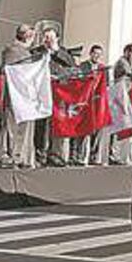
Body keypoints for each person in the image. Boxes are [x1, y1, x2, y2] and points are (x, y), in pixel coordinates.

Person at [34, 27, 76, 167]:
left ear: (57, 39)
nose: (48, 41)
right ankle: (39, 154)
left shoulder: (63, 53)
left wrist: (55, 51)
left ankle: (55, 154)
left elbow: (72, 67)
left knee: (58, 124)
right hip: (42, 93)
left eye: (51, 38)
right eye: (46, 37)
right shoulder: (37, 52)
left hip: (59, 94)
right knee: (42, 125)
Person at [0, 24, 36, 169]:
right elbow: (11, 71)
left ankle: (21, 156)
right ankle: (9, 155)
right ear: (26, 36)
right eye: (31, 36)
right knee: (11, 125)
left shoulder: (27, 51)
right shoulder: (12, 50)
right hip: (15, 94)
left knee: (24, 127)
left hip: (26, 95)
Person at [74, 44, 109, 165]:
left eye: (99, 54)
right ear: (91, 53)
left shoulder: (103, 68)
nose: (97, 56)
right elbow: (79, 81)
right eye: (95, 54)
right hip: (85, 101)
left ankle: (94, 157)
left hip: (97, 102)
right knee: (85, 128)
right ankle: (80, 156)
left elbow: (106, 85)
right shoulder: (83, 66)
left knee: (98, 129)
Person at [110, 44, 132, 164]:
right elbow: (130, 76)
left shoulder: (128, 64)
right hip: (119, 96)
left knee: (124, 126)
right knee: (120, 126)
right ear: (127, 52)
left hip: (125, 96)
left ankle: (120, 155)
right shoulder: (122, 62)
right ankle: (115, 155)